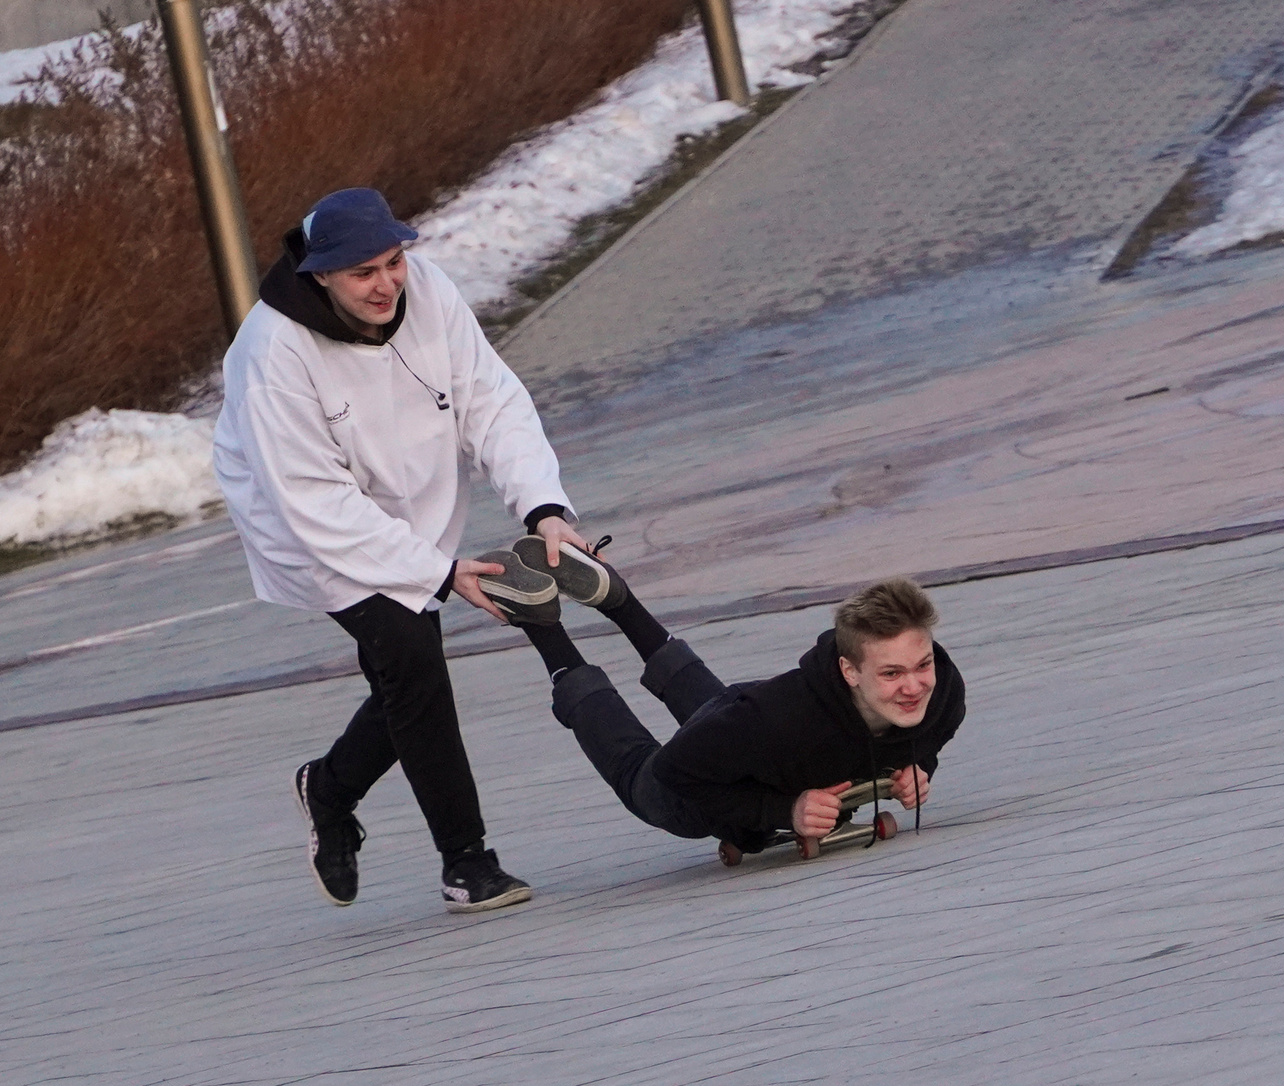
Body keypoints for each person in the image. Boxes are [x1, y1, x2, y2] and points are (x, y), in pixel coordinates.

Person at [213, 187, 595, 914]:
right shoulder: (272, 351)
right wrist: (439, 573)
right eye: (363, 272)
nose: (387, 283)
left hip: (404, 501)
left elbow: (490, 401)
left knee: (404, 681)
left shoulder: (431, 294)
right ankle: (467, 862)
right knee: (412, 658)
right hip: (304, 524)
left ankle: (329, 790)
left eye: (394, 262)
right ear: (321, 274)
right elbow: (312, 499)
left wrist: (543, 506)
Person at [474, 539, 967, 854]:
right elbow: (676, 770)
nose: (914, 687)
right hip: (695, 783)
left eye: (922, 664)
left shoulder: (944, 694)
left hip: (744, 734)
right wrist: (784, 812)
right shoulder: (781, 719)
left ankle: (618, 599)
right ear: (848, 670)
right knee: (641, 774)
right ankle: (540, 620)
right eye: (891, 673)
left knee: (724, 723)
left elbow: (924, 736)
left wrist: (919, 766)